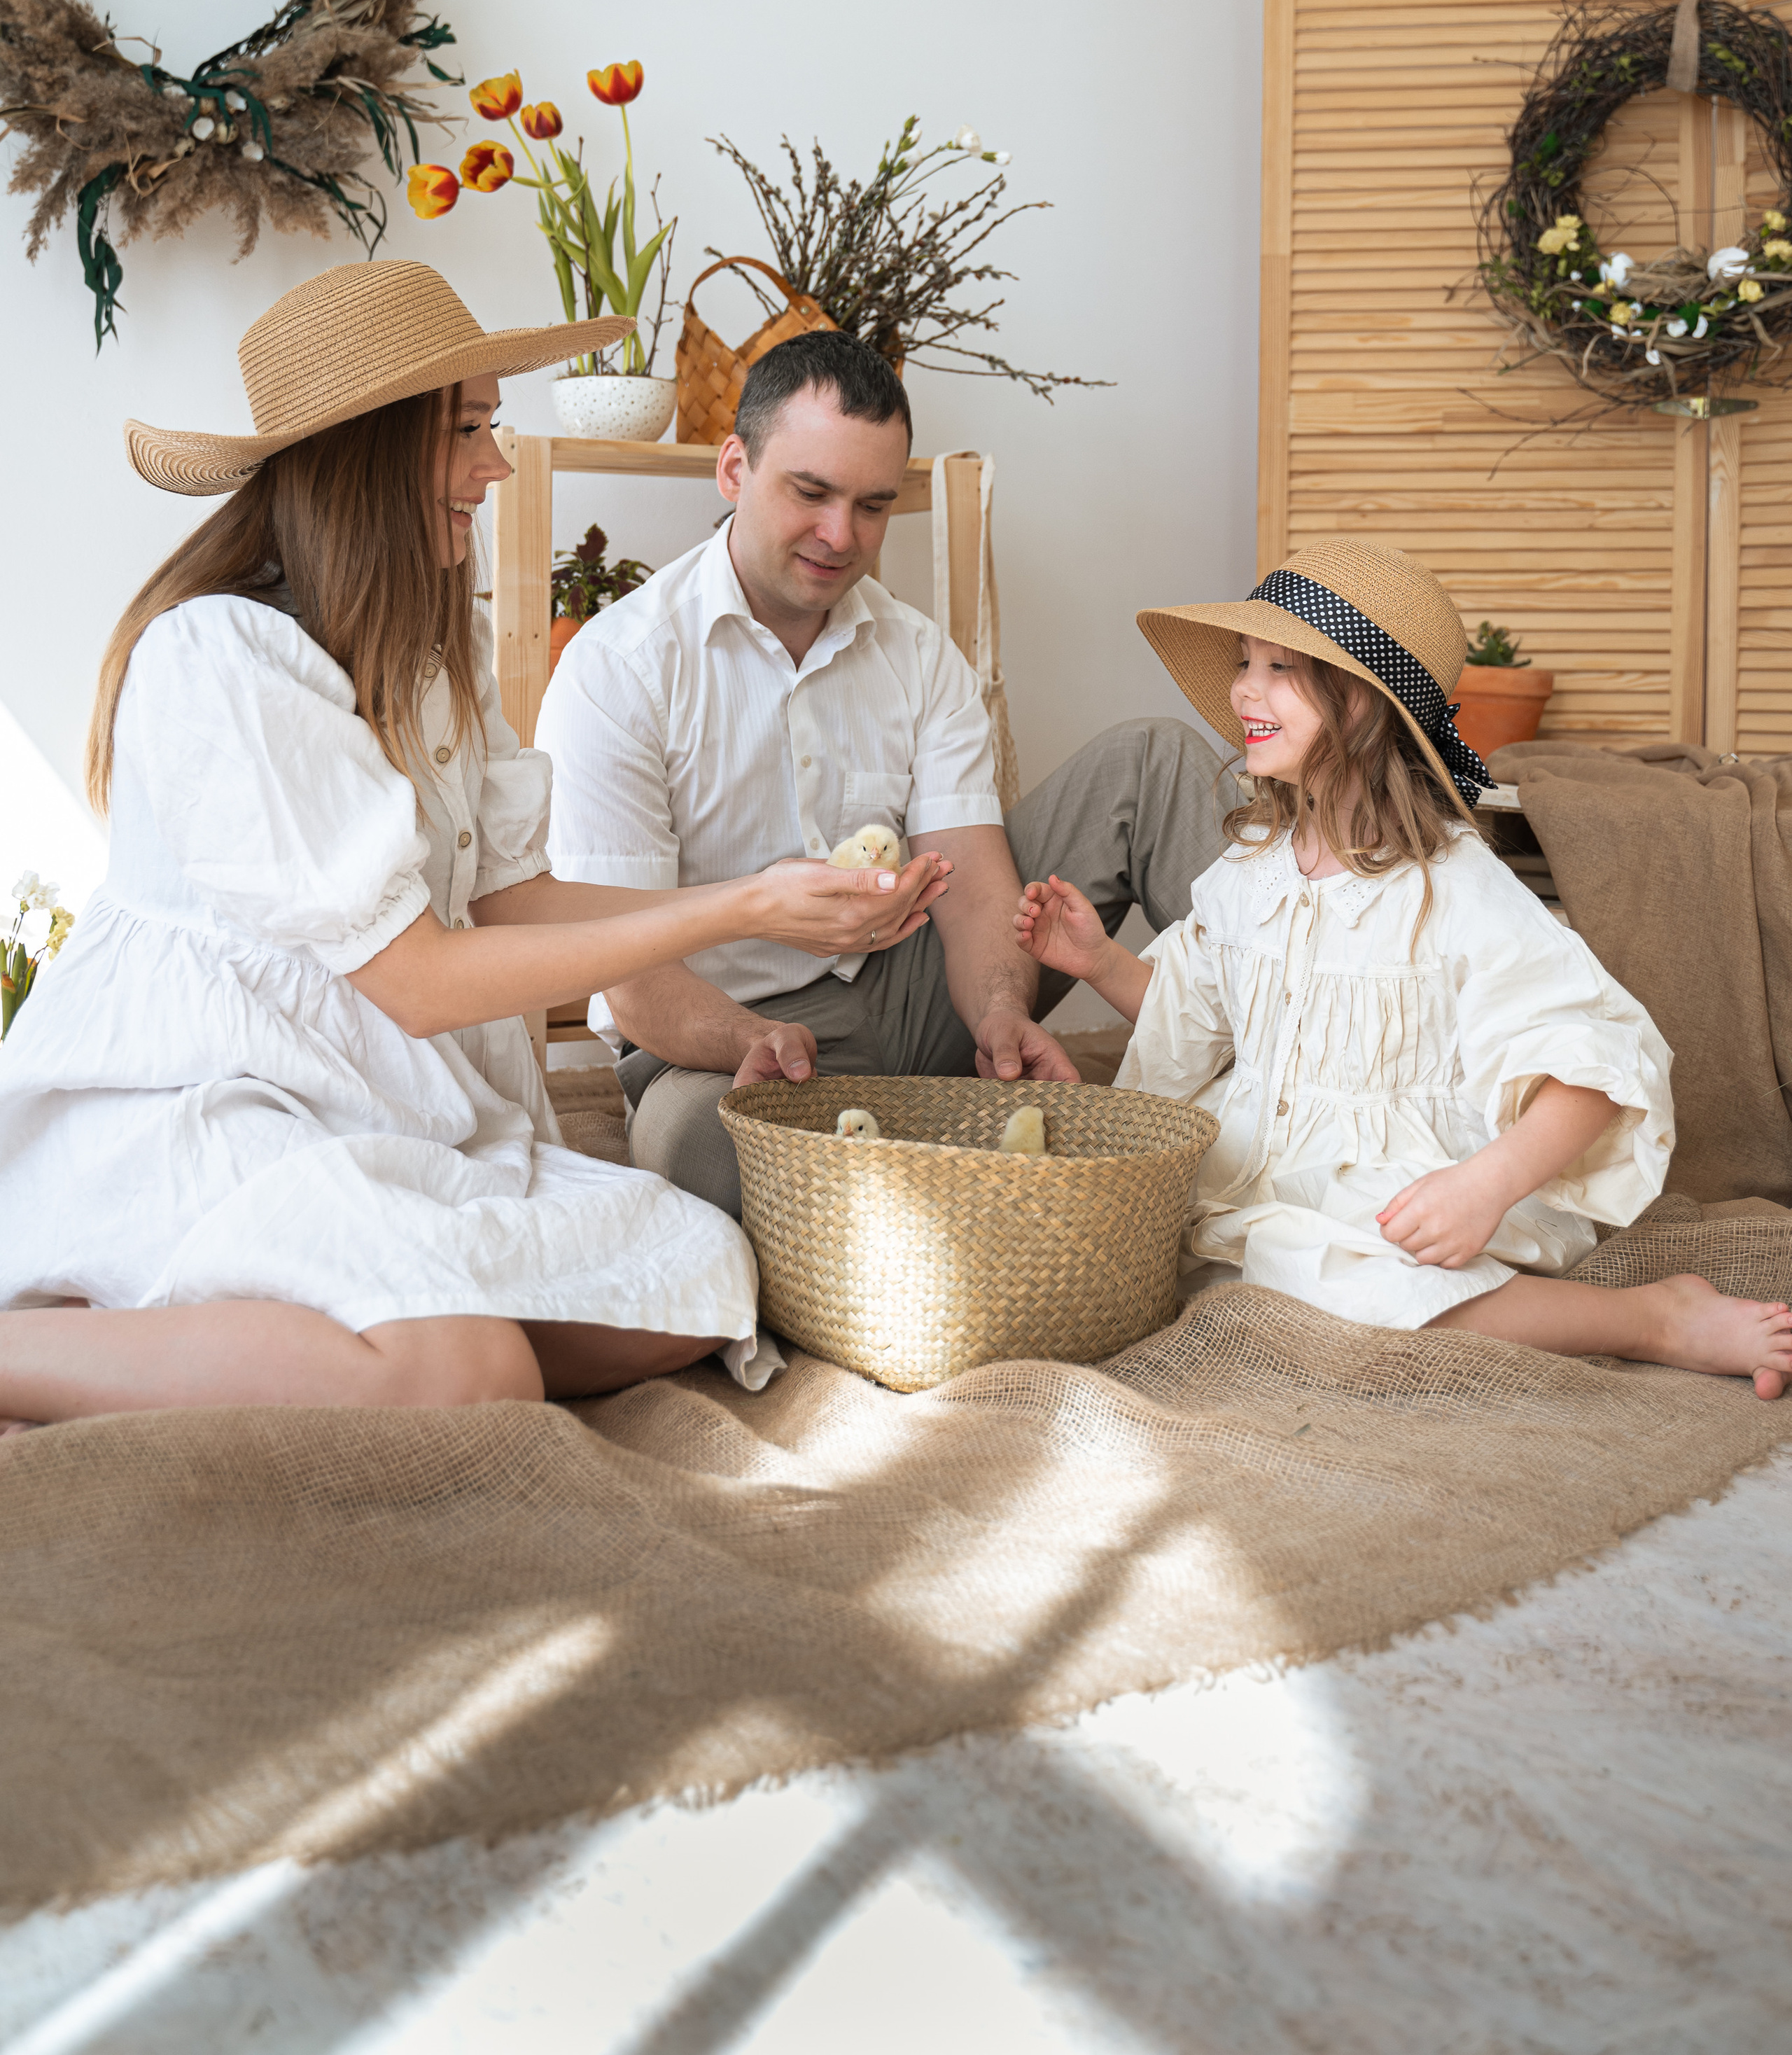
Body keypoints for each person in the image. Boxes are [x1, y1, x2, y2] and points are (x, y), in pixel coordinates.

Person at [0, 262, 948, 1430]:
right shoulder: (220, 657)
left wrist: (747, 932)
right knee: (468, 1375)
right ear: (374, 449)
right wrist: (744, 905)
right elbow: (414, 981)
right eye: (470, 428)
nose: (496, 463)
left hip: (376, 1104)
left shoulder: (429, 653)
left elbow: (511, 902)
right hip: (225, 1097)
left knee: (695, 1282)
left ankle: (298, 1331)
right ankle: (57, 1343)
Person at [1014, 536, 1792, 1400]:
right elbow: (1196, 1018)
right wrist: (1098, 962)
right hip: (1257, 1157)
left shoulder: (1450, 886)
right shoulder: (1249, 867)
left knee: (1353, 1283)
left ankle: (1654, 1317)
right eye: (1243, 662)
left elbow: (1597, 1063)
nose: (1243, 688)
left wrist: (1483, 1186)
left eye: (1278, 668)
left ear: (1359, 705)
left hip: (1400, 1175)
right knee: (1146, 1245)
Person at [536, 329, 1232, 1216]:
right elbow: (627, 972)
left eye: (871, 504)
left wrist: (997, 1016)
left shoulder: (915, 650)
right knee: (698, 1162)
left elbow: (977, 885)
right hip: (721, 1041)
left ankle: (1307, 1072)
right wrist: (753, 1038)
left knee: (1153, 758)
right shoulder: (617, 667)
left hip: (914, 995)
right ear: (733, 470)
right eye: (811, 493)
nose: (841, 536)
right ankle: (938, 1174)